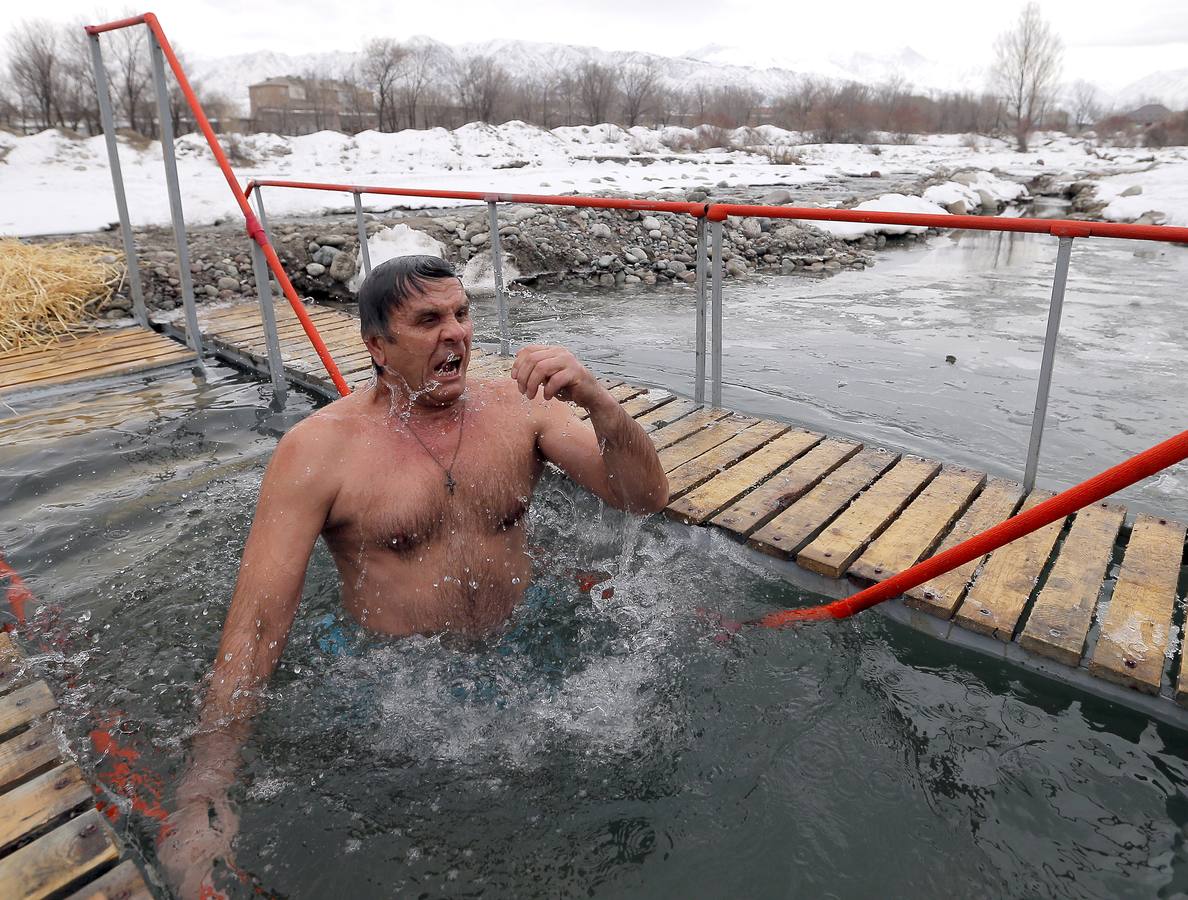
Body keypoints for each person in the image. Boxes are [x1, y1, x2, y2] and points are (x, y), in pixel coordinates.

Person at [160, 254, 669, 896]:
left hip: (530, 652)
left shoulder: (521, 411)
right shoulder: (320, 451)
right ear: (376, 345)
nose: (454, 332)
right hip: (392, 685)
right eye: (428, 320)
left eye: (461, 313)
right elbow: (257, 626)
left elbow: (644, 498)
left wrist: (597, 401)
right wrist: (205, 789)